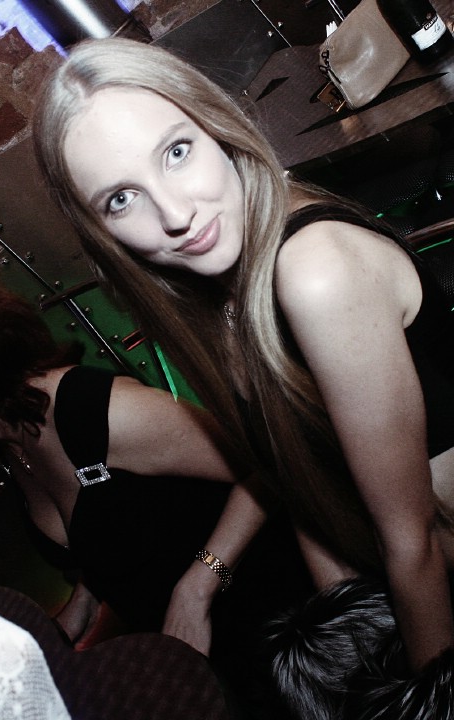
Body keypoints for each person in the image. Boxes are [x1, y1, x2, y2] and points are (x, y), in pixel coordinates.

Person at [31, 36, 454, 711]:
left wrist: (425, 700)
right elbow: (303, 488)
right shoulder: (220, 298)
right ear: (100, 230)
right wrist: (342, 658)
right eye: (122, 199)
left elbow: (415, 538)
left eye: (177, 152)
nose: (176, 215)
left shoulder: (314, 270)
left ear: (216, 125)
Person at [0, 272, 301, 718]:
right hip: (197, 665)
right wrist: (84, 602)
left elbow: (271, 463)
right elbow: (114, 521)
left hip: (278, 630)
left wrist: (200, 585)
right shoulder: (3, 442)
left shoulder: (100, 410)